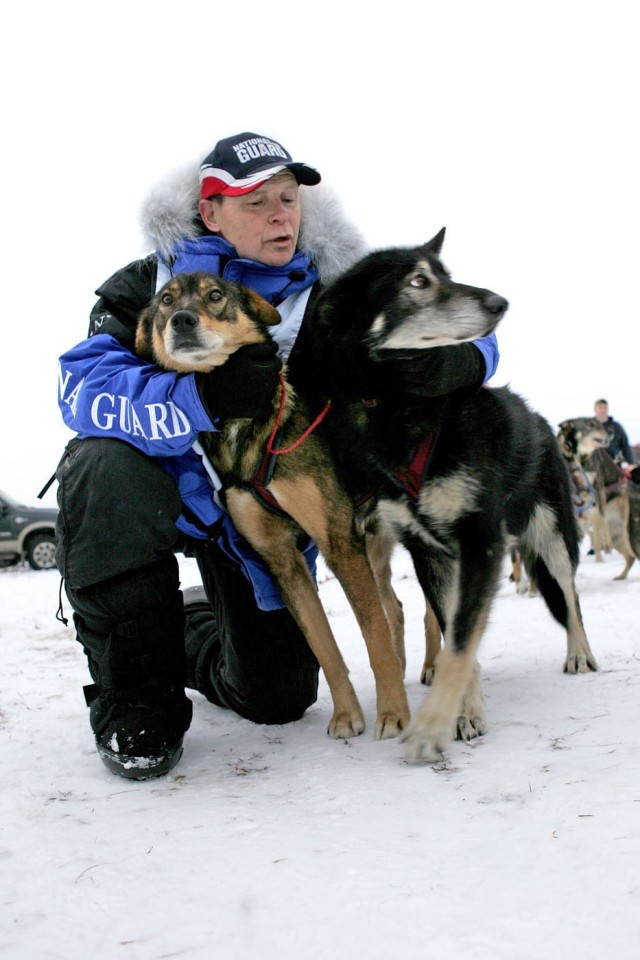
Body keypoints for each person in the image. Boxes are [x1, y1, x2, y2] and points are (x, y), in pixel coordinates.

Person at [55, 131, 501, 780]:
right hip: (169, 499)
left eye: (289, 199)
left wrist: (460, 362)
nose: (280, 216)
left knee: (277, 699)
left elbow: (459, 323)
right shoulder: (150, 283)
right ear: (211, 213)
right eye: (256, 201)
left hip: (269, 521)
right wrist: (200, 397)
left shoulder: (335, 290)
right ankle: (136, 701)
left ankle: (186, 625)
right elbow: (82, 389)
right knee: (101, 465)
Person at [594, 398, 635, 466]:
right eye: (600, 407)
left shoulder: (616, 427)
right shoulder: (590, 428)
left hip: (614, 463)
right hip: (596, 464)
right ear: (595, 410)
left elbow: (625, 445)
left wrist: (630, 463)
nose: (603, 410)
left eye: (605, 407)